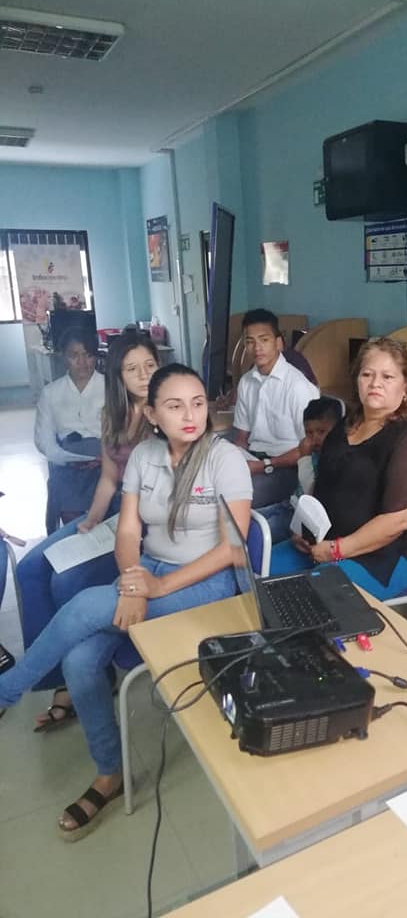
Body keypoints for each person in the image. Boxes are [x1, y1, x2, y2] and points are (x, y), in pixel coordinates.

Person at [0, 364, 253, 839]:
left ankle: (7, 691)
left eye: (198, 403)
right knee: (79, 661)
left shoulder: (225, 459)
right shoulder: (144, 457)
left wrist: (157, 588)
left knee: (86, 606)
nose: (190, 415)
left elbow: (232, 549)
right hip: (149, 570)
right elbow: (130, 529)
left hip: (208, 586)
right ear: (152, 414)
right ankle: (110, 774)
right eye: (175, 406)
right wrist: (135, 580)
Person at [19, 331, 160, 730]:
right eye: (132, 369)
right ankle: (57, 678)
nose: (143, 375)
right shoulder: (112, 415)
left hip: (142, 521)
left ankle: (89, 676)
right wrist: (91, 520)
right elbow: (109, 478)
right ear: (117, 375)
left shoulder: (164, 413)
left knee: (65, 581)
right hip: (111, 512)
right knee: (30, 568)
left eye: (150, 366)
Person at [270, 337, 407, 599]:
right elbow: (322, 485)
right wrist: (302, 529)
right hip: (323, 541)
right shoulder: (344, 426)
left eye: (387, 377)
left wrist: (337, 550)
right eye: (367, 374)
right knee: (260, 572)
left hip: (381, 556)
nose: (375, 383)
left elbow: (401, 519)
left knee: (311, 598)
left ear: (406, 384)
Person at [232, 309, 319, 507]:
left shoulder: (298, 386)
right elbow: (242, 438)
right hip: (255, 459)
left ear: (278, 343)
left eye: (264, 340)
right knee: (211, 478)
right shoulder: (246, 382)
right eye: (250, 341)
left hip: (287, 467)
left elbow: (310, 449)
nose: (257, 348)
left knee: (237, 497)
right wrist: (233, 459)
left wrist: (263, 465)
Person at [35, 327, 105, 533]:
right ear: (63, 357)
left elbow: (125, 433)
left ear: (95, 356)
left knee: (107, 520)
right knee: (73, 523)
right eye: (74, 355)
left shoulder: (111, 387)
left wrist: (106, 457)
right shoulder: (50, 393)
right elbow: (44, 441)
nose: (82, 362)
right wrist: (68, 459)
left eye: (87, 355)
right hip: (68, 465)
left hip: (108, 462)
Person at [296, 396, 344, 496]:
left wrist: (304, 458)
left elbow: (312, 493)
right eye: (309, 432)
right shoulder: (313, 452)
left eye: (321, 431)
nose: (315, 438)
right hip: (294, 501)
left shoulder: (335, 459)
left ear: (338, 429)